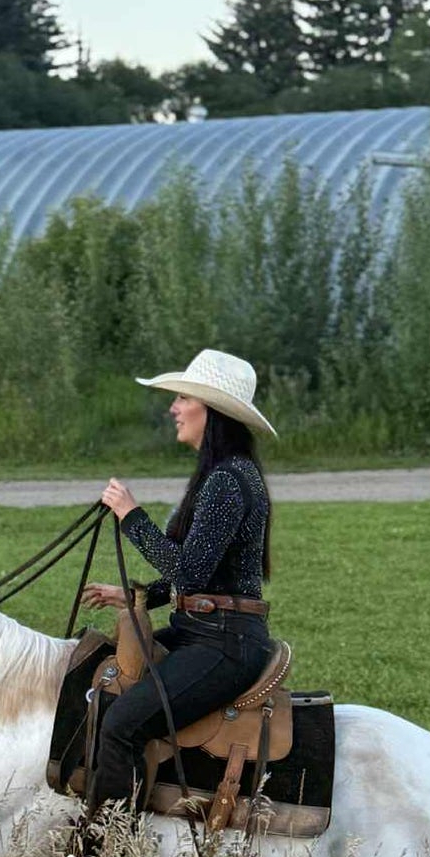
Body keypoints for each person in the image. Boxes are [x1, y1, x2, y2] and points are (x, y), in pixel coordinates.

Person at [80, 347, 276, 831]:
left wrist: (131, 516)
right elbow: (203, 575)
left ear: (210, 412)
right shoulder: (222, 476)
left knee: (123, 724)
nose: (173, 408)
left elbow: (190, 572)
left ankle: (107, 855)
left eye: (183, 397)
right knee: (99, 670)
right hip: (206, 633)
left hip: (224, 643)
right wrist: (135, 596)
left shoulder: (228, 481)